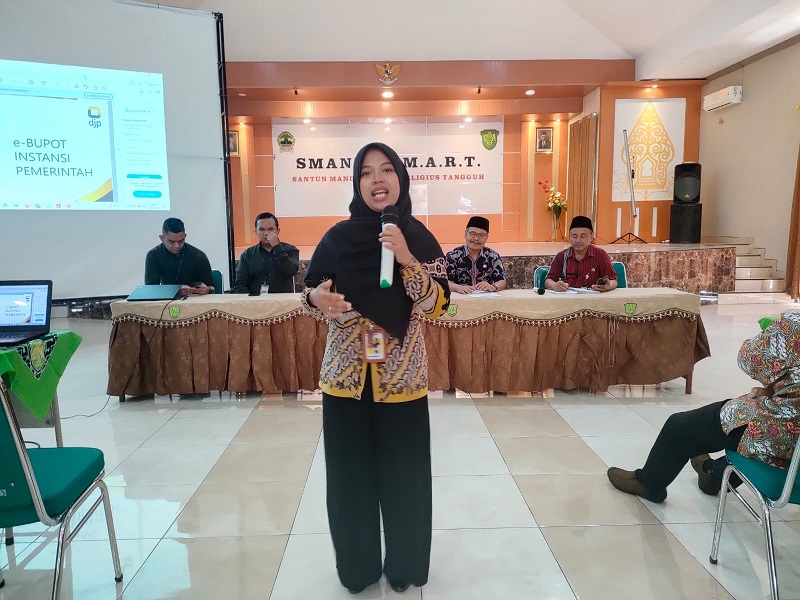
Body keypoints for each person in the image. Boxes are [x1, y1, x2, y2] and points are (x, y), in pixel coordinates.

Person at [301, 142, 450, 595]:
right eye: (366, 173)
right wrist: (315, 299)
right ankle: (357, 569)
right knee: (349, 482)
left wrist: (406, 258)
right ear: (357, 183)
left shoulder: (420, 238)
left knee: (406, 481)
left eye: (386, 170)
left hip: (402, 381)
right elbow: (310, 293)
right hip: (344, 382)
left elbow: (438, 306)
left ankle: (404, 567)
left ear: (401, 179)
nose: (377, 179)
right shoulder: (336, 238)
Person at [608, 312, 800, 503]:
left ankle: (649, 484)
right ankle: (712, 474)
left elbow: (749, 359)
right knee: (746, 439)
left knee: (680, 427)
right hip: (795, 451)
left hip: (782, 429)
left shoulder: (794, 327)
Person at [545, 215, 617, 292]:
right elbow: (548, 280)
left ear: (591, 237)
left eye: (583, 236)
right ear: (569, 237)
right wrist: (554, 285)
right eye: (574, 236)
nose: (578, 240)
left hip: (593, 297)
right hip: (568, 297)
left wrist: (608, 286)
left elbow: (613, 280)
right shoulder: (561, 256)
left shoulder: (600, 255)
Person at [233, 212, 300, 294]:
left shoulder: (290, 250)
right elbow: (240, 284)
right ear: (256, 232)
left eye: (270, 229)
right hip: (255, 300)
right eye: (261, 229)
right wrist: (251, 300)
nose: (266, 233)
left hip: (283, 299)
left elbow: (292, 271)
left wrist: (277, 247)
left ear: (278, 231)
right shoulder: (247, 255)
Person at [144, 217, 214, 296]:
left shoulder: (199, 255)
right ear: (162, 238)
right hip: (167, 298)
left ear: (185, 236)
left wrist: (207, 289)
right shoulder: (154, 255)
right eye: (171, 242)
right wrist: (175, 290)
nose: (177, 246)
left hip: (195, 298)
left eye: (181, 241)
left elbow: (212, 288)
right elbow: (151, 288)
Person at [445, 216, 507, 294]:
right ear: (465, 234)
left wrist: (493, 287)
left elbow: (502, 281)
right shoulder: (453, 256)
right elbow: (445, 281)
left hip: (485, 298)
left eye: (481, 235)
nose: (476, 238)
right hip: (462, 297)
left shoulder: (493, 256)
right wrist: (458, 288)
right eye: (473, 234)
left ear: (487, 237)